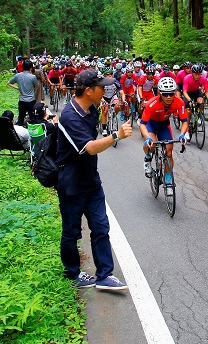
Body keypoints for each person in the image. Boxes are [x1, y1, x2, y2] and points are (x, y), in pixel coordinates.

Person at [56, 69, 133, 290]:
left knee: (101, 227)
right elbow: (89, 147)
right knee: (71, 231)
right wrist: (116, 135)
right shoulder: (70, 116)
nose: (105, 90)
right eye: (101, 87)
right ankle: (72, 274)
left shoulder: (90, 109)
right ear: (88, 90)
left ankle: (104, 276)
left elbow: (94, 136)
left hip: (91, 179)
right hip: (72, 183)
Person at [140, 77, 188, 194]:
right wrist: (148, 137)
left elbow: (185, 121)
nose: (168, 97)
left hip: (164, 125)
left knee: (169, 152)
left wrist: (182, 134)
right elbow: (142, 125)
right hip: (151, 124)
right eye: (165, 94)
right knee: (151, 145)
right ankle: (147, 159)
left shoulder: (179, 102)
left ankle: (168, 180)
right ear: (160, 93)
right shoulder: (152, 103)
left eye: (171, 94)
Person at [7, 59, 38, 125]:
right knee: (32, 118)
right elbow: (37, 87)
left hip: (22, 100)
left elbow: (9, 83)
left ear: (23, 67)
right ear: (30, 67)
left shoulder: (18, 75)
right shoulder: (33, 77)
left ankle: (19, 133)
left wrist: (18, 88)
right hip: (31, 100)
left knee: (21, 117)